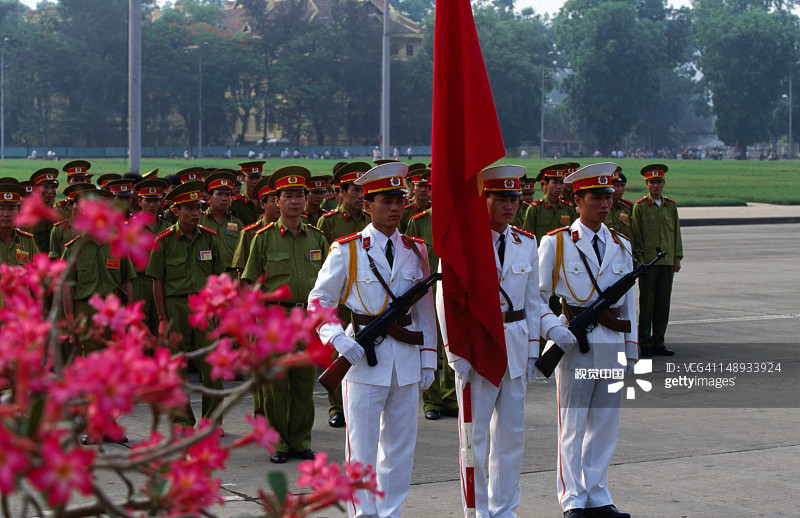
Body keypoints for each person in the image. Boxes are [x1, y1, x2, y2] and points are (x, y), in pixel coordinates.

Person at [437, 165, 567, 518]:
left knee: (511, 437)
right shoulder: (464, 242)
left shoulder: (525, 243)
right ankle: (477, 509)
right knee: (474, 439)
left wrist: (537, 346)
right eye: (501, 199)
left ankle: (505, 508)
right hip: (476, 347)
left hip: (514, 345)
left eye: (515, 199)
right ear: (484, 200)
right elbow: (445, 299)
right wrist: (453, 353)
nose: (511, 206)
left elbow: (533, 303)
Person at [309, 161, 436, 518]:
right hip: (362, 357)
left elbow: (424, 310)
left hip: (406, 357)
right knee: (362, 447)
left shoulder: (416, 250)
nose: (395, 207)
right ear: (367, 205)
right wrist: (335, 337)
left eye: (399, 199)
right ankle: (362, 513)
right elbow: (318, 302)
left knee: (399, 448)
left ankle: (390, 511)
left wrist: (429, 358)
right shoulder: (348, 250)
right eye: (385, 200)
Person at [538, 162, 637, 518]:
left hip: (611, 342)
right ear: (577, 200)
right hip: (574, 344)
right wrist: (554, 329)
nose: (605, 204)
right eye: (596, 197)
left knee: (605, 425)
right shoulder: (557, 243)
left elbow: (629, 305)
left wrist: (632, 349)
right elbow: (537, 297)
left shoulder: (621, 245)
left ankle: (598, 495)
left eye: (608, 196)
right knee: (573, 425)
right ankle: (572, 499)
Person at [241, 166, 329, 464]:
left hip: (307, 321)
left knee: (305, 384)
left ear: (306, 200)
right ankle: (278, 443)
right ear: (276, 201)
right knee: (276, 388)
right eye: (288, 196)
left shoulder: (317, 238)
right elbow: (249, 284)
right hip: (274, 322)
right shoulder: (262, 238)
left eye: (299, 196)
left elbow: (329, 283)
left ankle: (300, 441)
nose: (295, 201)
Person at [146, 181, 225, 427]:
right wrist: (161, 318)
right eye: (189, 208)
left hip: (204, 308)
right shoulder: (164, 241)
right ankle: (182, 422)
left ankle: (212, 422)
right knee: (177, 368)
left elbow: (217, 278)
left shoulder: (209, 239)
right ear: (175, 211)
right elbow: (157, 281)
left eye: (198, 208)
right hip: (175, 308)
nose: (196, 213)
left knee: (212, 364)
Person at [316, 161, 373, 428]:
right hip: (337, 297)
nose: (361, 196)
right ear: (341, 194)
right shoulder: (328, 222)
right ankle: (337, 406)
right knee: (337, 350)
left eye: (364, 191)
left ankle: (357, 402)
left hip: (365, 296)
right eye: (355, 190)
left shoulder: (372, 218)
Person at [631, 164, 683, 357]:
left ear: (663, 183)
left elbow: (676, 233)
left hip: (667, 262)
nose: (655, 186)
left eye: (659, 182)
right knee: (647, 304)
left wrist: (677, 257)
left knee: (663, 304)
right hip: (649, 264)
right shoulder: (641, 206)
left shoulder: (671, 206)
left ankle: (659, 341)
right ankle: (645, 343)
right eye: (652, 182)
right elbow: (637, 234)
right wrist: (640, 260)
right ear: (646, 184)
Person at [231, 178, 280, 278]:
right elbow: (242, 273)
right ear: (262, 204)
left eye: (280, 200)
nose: (278, 205)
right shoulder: (249, 233)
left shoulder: (293, 230)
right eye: (273, 201)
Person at [199, 171, 244, 274]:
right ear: (210, 197)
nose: (224, 199)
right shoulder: (199, 220)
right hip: (207, 277)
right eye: (219, 194)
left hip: (231, 277)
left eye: (228, 195)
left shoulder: (237, 223)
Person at [522, 163, 579, 243]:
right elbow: (527, 239)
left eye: (561, 183)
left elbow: (575, 235)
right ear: (546, 184)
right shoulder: (535, 209)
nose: (559, 186)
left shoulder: (569, 208)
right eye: (555, 183)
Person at [0, 183, 39, 266]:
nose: (6, 214)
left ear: (19, 211)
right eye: (1, 209)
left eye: (11, 209)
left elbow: (38, 270)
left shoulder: (27, 241)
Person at [29, 168, 60, 254]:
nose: (50, 192)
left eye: (53, 187)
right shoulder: (29, 218)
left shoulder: (60, 216)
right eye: (45, 187)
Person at [230, 161, 266, 226]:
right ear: (243, 178)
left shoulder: (267, 201)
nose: (255, 181)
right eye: (251, 178)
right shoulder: (235, 203)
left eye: (258, 177)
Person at [398, 168, 431, 233]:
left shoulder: (435, 211)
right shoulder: (404, 212)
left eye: (426, 186)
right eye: (419, 186)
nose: (423, 190)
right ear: (413, 188)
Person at [606, 168, 633, 240]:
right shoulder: (599, 208)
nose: (616, 189)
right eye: (612, 185)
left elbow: (632, 233)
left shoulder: (626, 209)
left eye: (619, 185)